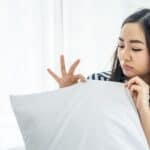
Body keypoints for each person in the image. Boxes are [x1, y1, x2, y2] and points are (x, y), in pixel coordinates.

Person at [47, 8, 150, 147]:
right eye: (121, 45)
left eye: (135, 48)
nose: (124, 56)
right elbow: (72, 135)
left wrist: (144, 108)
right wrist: (67, 96)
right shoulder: (98, 81)